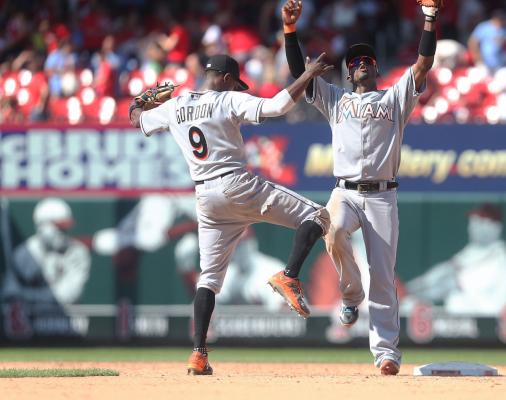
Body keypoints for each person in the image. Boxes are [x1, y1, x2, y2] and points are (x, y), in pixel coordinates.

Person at [129, 53, 332, 375]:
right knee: (320, 216)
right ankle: (289, 275)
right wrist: (306, 75)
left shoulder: (174, 105)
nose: (237, 86)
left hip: (205, 196)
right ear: (225, 78)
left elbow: (136, 118)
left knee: (208, 279)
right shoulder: (227, 99)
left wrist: (141, 100)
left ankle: (198, 354)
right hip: (235, 184)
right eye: (235, 81)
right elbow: (278, 106)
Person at [281, 0, 438, 375]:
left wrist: (430, 19)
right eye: (354, 62)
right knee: (330, 229)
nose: (361, 63)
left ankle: (386, 353)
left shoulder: (395, 98)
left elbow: (422, 64)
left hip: (383, 195)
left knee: (383, 277)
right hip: (345, 192)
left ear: (376, 68)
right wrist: (290, 31)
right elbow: (297, 74)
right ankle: (351, 295)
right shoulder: (336, 99)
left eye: (366, 60)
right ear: (349, 74)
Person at [404, 203, 506, 316]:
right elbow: (444, 270)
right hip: (465, 318)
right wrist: (408, 289)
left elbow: (455, 283)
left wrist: (411, 293)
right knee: (409, 305)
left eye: (480, 222)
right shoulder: (474, 249)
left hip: (490, 319)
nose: (474, 226)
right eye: (473, 222)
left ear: (496, 227)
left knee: (448, 293)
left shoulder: (499, 255)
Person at [2, 198, 91, 305]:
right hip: (33, 318)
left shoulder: (77, 252)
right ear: (41, 227)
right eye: (59, 227)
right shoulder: (24, 253)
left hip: (67, 318)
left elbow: (67, 296)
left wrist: (25, 295)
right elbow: (9, 292)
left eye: (65, 228)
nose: (63, 233)